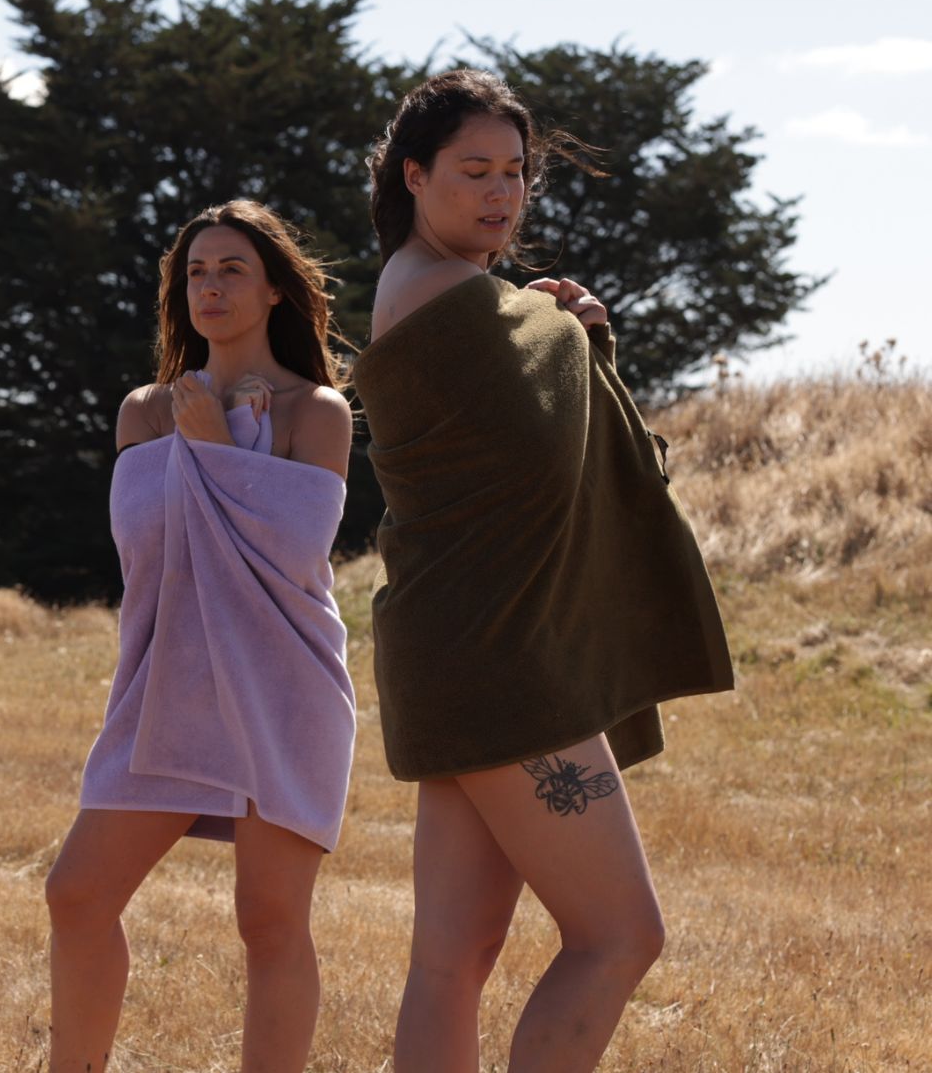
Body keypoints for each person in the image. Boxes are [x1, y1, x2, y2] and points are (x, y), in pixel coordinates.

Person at [353, 70, 734, 1073]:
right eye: (473, 171)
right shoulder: (447, 295)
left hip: (453, 655)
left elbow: (529, 431)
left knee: (452, 959)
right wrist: (572, 333)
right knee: (621, 936)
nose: (500, 194)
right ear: (415, 175)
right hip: (502, 665)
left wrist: (559, 330)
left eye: (516, 173)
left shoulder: (445, 292)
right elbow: (541, 444)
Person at [44, 199, 356, 1073]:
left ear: (273, 295)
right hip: (170, 684)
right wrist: (208, 438)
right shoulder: (144, 412)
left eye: (232, 271)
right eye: (196, 273)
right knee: (77, 893)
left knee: (269, 920)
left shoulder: (316, 414)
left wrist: (219, 446)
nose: (211, 287)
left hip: (282, 687)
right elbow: (145, 553)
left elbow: (289, 558)